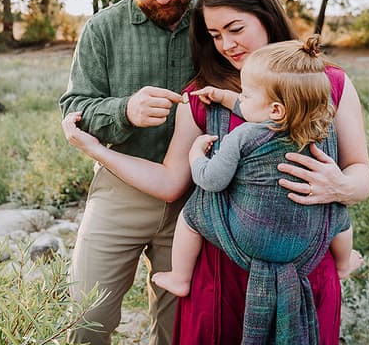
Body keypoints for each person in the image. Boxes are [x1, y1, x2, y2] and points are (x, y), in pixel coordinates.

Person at [64, 0, 369, 345]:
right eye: (215, 35)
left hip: (304, 268)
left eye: (235, 28)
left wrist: (340, 186)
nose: (226, 44)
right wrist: (96, 150)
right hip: (220, 275)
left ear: (266, 16)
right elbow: (170, 182)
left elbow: (362, 175)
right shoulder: (203, 96)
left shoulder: (330, 82)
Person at [149, 36, 357, 345]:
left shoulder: (243, 135)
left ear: (275, 108)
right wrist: (224, 97)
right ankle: (345, 261)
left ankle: (179, 277)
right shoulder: (316, 127)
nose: (240, 100)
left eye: (245, 95)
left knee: (193, 213)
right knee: (337, 212)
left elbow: (212, 180)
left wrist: (196, 155)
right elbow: (259, 110)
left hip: (251, 239)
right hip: (305, 241)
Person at [59, 0, 200, 345]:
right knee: (87, 319)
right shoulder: (103, 29)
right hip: (120, 192)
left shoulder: (217, 21)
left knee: (178, 331)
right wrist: (126, 110)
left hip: (196, 201)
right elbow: (73, 108)